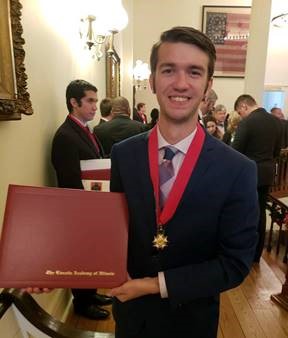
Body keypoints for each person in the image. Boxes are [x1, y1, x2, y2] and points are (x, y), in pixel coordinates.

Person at [109, 26, 258, 338]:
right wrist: (61, 267)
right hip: (131, 319)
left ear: (207, 85)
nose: (180, 83)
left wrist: (153, 285)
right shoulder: (123, 155)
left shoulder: (238, 169)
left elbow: (235, 263)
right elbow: (114, 231)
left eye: (194, 72)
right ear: (151, 80)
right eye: (168, 70)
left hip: (191, 322)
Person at [51, 79, 112, 320]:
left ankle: (91, 292)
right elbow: (69, 179)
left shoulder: (86, 130)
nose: (95, 106)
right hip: (78, 208)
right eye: (90, 101)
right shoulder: (65, 135)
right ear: (73, 102)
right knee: (80, 254)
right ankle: (82, 303)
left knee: (92, 252)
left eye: (96, 101)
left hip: (92, 203)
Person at [232, 94, 282, 263]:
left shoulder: (247, 122)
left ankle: (242, 252)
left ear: (244, 106)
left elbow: (235, 151)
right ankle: (256, 255)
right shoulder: (275, 121)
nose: (240, 115)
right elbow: (277, 151)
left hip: (248, 173)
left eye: (240, 112)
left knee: (244, 213)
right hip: (267, 173)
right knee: (261, 213)